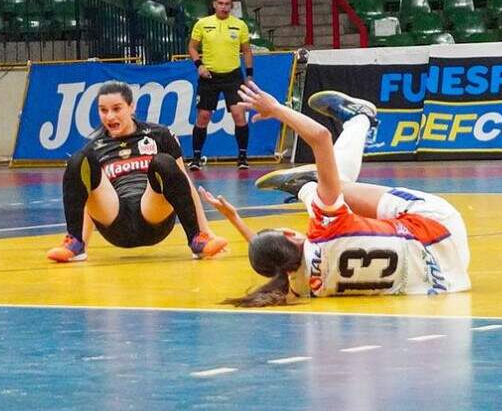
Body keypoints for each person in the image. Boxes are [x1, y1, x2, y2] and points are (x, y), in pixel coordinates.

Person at [198, 84, 471, 306]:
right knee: (335, 184)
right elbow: (321, 137)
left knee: (334, 194)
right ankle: (357, 122)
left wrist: (235, 219)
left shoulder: (305, 288)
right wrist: (277, 109)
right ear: (291, 236)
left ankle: (309, 184)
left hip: (448, 277)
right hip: (439, 227)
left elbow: (275, 262)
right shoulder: (324, 227)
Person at [46, 81, 228, 263]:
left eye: (117, 109)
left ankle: (197, 240)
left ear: (131, 106)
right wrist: (83, 241)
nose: (109, 116)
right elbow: (90, 198)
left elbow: (184, 184)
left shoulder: (160, 135)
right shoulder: (94, 148)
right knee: (78, 160)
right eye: (103, 110)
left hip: (153, 215)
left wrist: (206, 231)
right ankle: (75, 244)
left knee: (163, 161)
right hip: (115, 222)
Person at [187, 0, 254, 171]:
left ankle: (242, 157)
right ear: (214, 4)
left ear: (231, 7)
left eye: (227, 5)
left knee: (239, 115)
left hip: (233, 76)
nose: (224, 7)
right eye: (221, 4)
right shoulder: (202, 23)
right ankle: (196, 157)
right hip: (209, 77)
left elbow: (247, 51)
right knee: (203, 117)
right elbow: (192, 47)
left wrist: (249, 75)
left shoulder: (240, 25)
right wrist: (199, 65)